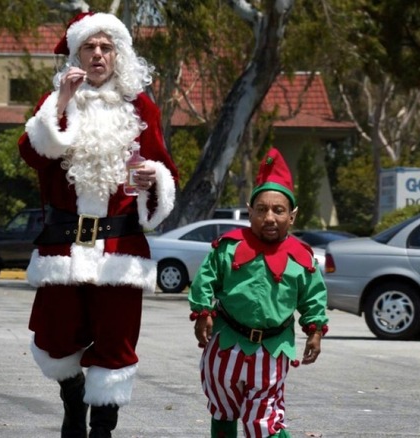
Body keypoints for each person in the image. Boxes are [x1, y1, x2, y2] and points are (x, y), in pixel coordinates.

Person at [17, 11, 177, 438]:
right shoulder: (53, 103)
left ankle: (102, 428)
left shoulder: (142, 107)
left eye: (106, 47)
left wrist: (153, 180)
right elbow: (32, 155)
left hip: (120, 247)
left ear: (119, 54)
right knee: (54, 338)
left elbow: (165, 170)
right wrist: (63, 103)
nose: (98, 54)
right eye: (90, 47)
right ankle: (73, 400)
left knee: (116, 341)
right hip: (63, 248)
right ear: (76, 54)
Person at [188, 148, 329, 438]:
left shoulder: (302, 258)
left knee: (264, 421)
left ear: (292, 216)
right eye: (261, 209)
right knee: (223, 409)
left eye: (278, 210)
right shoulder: (227, 247)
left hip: (273, 350)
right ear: (249, 211)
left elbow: (314, 298)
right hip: (226, 344)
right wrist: (202, 313)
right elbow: (205, 280)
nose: (269, 217)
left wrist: (314, 331)